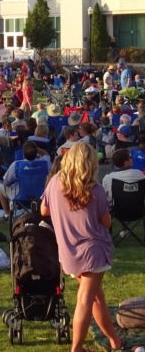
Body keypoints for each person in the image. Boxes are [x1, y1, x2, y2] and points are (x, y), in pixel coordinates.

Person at [41, 143, 123, 352]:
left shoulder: (55, 183)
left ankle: (114, 340)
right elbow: (106, 222)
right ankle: (76, 348)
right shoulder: (95, 190)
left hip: (69, 250)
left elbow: (44, 210)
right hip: (93, 249)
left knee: (96, 296)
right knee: (86, 299)